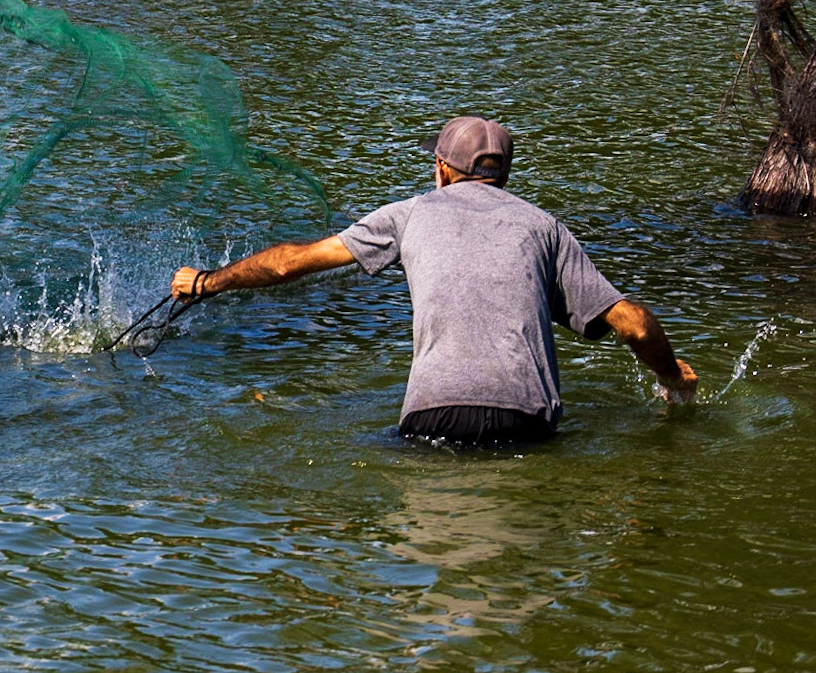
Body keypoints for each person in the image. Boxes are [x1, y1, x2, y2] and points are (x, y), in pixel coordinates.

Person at [170, 115, 696, 447]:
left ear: (442, 169)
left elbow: (289, 263)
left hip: (431, 421)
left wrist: (208, 282)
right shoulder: (544, 228)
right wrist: (672, 376)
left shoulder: (408, 215)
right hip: (529, 426)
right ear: (503, 175)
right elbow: (633, 322)